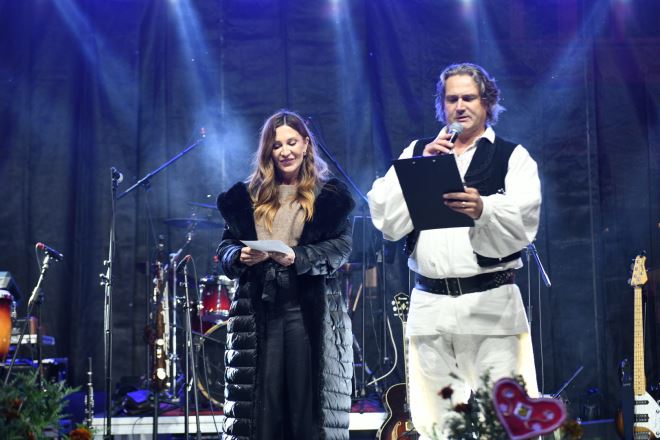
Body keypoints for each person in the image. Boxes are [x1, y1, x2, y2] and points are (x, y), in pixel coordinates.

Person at [367, 63, 541, 439]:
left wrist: (484, 208)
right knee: (437, 424)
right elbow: (386, 218)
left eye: (468, 98)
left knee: (504, 421)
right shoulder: (418, 151)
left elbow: (525, 221)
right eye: (451, 99)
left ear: (487, 102)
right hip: (431, 307)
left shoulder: (512, 156)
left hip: (491, 305)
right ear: (442, 105)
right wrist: (416, 166)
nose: (459, 106)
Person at [215, 110, 355, 440]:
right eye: (277, 145)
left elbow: (341, 247)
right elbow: (225, 247)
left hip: (306, 308)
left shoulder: (329, 196)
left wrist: (298, 257)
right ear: (268, 151)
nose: (285, 151)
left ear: (306, 144)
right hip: (257, 309)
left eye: (292, 143)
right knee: (263, 408)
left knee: (306, 408)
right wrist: (239, 255)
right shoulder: (248, 195)